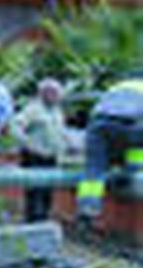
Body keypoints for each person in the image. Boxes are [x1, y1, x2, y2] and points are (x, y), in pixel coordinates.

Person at [77, 73, 143, 224]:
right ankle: (132, 172)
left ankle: (88, 206)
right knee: (137, 146)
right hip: (131, 124)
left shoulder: (116, 87)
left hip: (98, 125)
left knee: (94, 167)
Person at [11, 78, 75, 223]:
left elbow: (61, 132)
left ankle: (44, 219)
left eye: (55, 93)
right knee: (34, 192)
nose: (53, 95)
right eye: (49, 92)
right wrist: (27, 142)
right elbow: (16, 126)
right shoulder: (33, 109)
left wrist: (69, 144)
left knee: (48, 191)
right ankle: (33, 221)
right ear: (42, 93)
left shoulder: (57, 111)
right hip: (34, 156)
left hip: (52, 157)